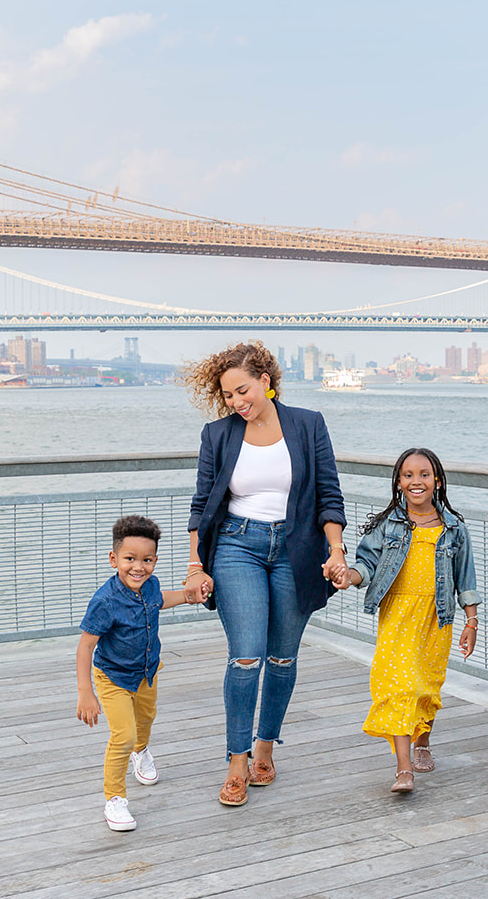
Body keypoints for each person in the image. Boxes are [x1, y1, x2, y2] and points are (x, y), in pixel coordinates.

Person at [181, 341, 347, 807]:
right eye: (228, 396)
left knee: (281, 659)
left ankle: (265, 749)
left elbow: (329, 497)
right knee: (247, 656)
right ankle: (236, 760)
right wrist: (196, 566)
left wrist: (336, 549)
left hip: (296, 550)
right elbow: (200, 507)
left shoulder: (308, 424)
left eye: (242, 391)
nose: (236, 402)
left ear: (266, 381)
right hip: (237, 546)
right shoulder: (217, 435)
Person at [337, 448, 479, 793]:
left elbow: (466, 578)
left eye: (424, 474)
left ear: (438, 481)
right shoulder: (389, 525)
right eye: (408, 475)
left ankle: (423, 743)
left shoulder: (454, 528)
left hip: (437, 616)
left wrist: (471, 622)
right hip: (398, 617)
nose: (417, 481)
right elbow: (366, 565)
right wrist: (348, 576)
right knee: (399, 687)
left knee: (426, 686)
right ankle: (403, 770)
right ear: (399, 483)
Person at [76, 514, 196, 832]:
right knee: (122, 735)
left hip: (146, 672)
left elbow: (159, 601)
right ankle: (114, 799)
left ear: (155, 560)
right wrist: (85, 692)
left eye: (146, 560)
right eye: (130, 559)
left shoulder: (151, 585)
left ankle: (141, 753)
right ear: (114, 559)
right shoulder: (104, 601)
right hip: (112, 677)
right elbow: (86, 647)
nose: (138, 567)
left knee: (145, 719)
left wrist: (187, 595)